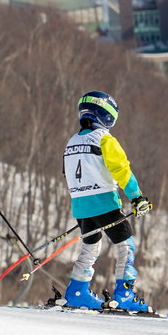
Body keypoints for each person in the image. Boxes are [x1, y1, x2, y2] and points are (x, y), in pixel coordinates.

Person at [60, 90, 153, 311]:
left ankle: (77, 291)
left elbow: (67, 173)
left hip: (81, 206)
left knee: (90, 246)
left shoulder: (71, 142)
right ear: (106, 116)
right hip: (104, 202)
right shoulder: (105, 139)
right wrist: (137, 197)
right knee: (126, 245)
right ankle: (124, 293)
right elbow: (122, 170)